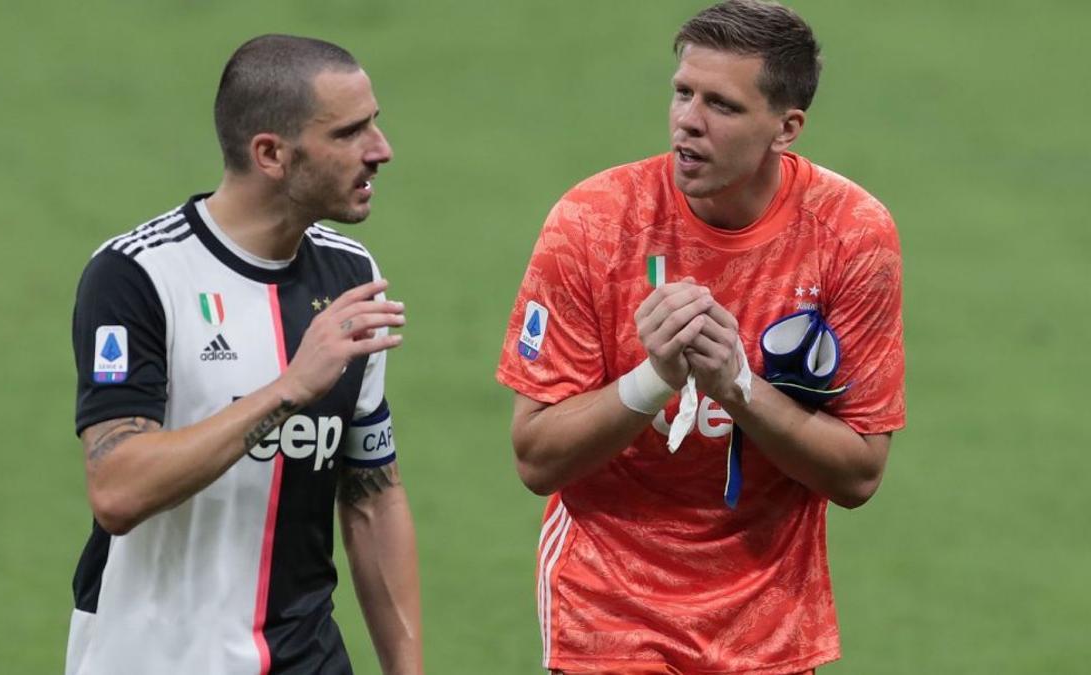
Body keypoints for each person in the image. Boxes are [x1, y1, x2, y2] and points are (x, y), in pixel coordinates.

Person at [497, 1, 905, 673]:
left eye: (722, 105)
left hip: (769, 624)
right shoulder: (593, 223)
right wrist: (653, 379)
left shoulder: (851, 235)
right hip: (608, 613)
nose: (688, 119)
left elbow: (859, 473)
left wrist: (738, 386)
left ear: (786, 128)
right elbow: (537, 459)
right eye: (683, 92)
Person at [67, 35, 422, 675]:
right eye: (349, 133)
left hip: (305, 656)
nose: (381, 149)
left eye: (375, 122)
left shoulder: (349, 274)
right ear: (270, 154)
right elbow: (117, 489)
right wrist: (288, 389)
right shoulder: (138, 276)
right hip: (155, 658)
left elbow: (373, 494)